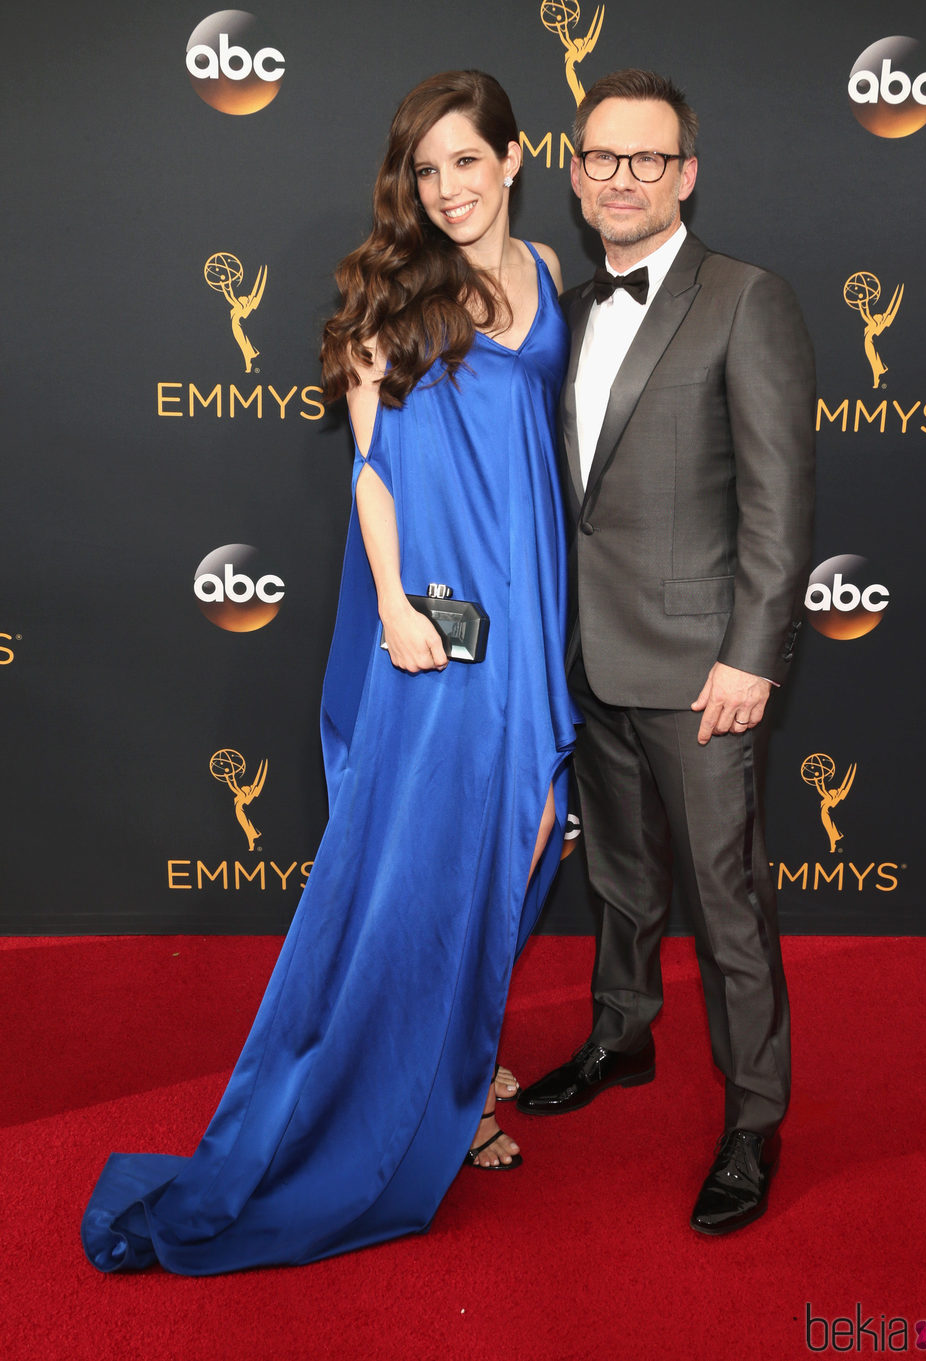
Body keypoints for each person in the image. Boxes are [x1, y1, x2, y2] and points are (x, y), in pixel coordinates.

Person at [80, 70, 576, 1274]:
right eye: (427, 169)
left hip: (534, 595)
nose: (449, 188)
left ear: (515, 159)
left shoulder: (551, 271)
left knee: (536, 828)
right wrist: (399, 606)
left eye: (469, 160)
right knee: (433, 857)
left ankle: (461, 1041)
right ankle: (446, 1094)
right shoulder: (388, 303)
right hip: (438, 620)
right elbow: (372, 469)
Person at [517, 69, 815, 1236]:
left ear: (685, 173)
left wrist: (751, 655)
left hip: (702, 671)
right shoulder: (566, 310)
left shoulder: (747, 299)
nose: (621, 178)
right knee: (621, 881)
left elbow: (779, 505)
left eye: (648, 158)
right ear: (576, 173)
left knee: (726, 903)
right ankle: (620, 1036)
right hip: (584, 657)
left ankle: (752, 1116)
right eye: (601, 157)